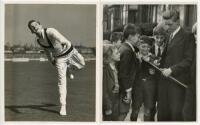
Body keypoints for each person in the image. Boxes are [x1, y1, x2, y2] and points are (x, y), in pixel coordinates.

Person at [28, 20, 85, 116]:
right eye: (32, 27)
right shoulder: (39, 41)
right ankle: (63, 106)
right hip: (59, 59)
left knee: (82, 64)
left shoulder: (50, 31)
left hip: (69, 51)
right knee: (61, 81)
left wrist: (64, 41)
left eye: (36, 25)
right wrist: (51, 61)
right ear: (32, 31)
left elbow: (58, 36)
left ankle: (69, 68)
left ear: (40, 25)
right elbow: (47, 51)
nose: (35, 27)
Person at [157, 10, 195, 121]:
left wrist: (172, 70)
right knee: (163, 114)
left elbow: (188, 60)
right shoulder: (169, 36)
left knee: (175, 115)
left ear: (178, 22)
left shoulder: (187, 36)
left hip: (177, 83)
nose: (167, 27)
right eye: (166, 24)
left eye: (170, 24)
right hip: (165, 82)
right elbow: (169, 57)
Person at [131, 35, 157, 121]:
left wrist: (154, 72)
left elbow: (156, 72)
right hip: (137, 87)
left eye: (148, 47)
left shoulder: (153, 57)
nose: (145, 49)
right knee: (135, 110)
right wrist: (139, 61)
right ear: (139, 46)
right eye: (143, 46)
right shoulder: (134, 57)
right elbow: (133, 71)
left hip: (149, 88)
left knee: (148, 111)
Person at [118, 23, 141, 121]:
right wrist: (128, 92)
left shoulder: (124, 47)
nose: (138, 39)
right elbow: (124, 73)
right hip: (124, 89)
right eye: (137, 36)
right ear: (131, 36)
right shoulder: (128, 51)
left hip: (122, 88)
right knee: (123, 113)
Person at [182, 22, 197, 121]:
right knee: (187, 114)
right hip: (191, 87)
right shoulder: (193, 48)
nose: (196, 36)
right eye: (195, 33)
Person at [103, 44, 120, 121]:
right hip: (109, 101)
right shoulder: (105, 70)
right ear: (110, 56)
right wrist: (107, 107)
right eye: (117, 53)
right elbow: (104, 91)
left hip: (116, 99)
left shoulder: (115, 67)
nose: (119, 54)